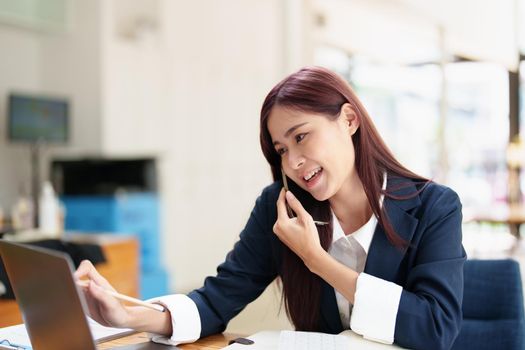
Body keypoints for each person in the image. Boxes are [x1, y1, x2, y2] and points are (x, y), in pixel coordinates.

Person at [75, 66, 466, 350]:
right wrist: (129, 316)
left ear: (348, 119)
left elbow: (437, 328)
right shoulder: (279, 209)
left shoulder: (434, 207)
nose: (294, 161)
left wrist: (319, 261)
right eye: (281, 149)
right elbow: (217, 300)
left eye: (302, 137)